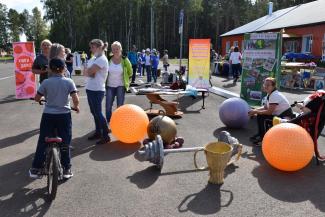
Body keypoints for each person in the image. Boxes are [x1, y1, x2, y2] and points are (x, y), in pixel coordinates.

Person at [29, 58, 80, 179]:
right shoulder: (69, 82)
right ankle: (66, 168)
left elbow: (37, 98)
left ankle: (36, 168)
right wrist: (76, 107)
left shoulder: (46, 82)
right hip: (64, 115)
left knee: (43, 140)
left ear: (50, 69)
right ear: (64, 69)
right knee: (65, 142)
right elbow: (75, 99)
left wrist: (40, 100)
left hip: (49, 115)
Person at [248, 77, 294, 146]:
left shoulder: (274, 95)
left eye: (268, 85)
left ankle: (264, 139)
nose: (265, 86)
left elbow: (269, 112)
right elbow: (265, 107)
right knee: (260, 115)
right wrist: (255, 110)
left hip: (285, 118)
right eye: (265, 84)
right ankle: (261, 134)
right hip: (279, 116)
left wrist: (255, 112)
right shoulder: (270, 94)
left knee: (263, 117)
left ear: (273, 86)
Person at [84, 39, 110, 145]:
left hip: (97, 89)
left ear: (99, 47)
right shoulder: (95, 58)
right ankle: (98, 132)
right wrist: (87, 71)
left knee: (98, 113)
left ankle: (106, 135)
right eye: (90, 47)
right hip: (90, 88)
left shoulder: (102, 59)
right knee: (94, 112)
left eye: (92, 47)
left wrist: (87, 70)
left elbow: (89, 72)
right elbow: (86, 72)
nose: (90, 49)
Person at [106, 41, 132, 126]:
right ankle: (109, 122)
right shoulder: (108, 59)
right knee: (108, 106)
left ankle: (119, 123)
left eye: (117, 48)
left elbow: (130, 72)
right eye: (113, 49)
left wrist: (127, 80)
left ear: (120, 49)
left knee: (120, 106)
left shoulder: (125, 60)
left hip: (121, 86)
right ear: (111, 50)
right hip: (109, 85)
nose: (115, 50)